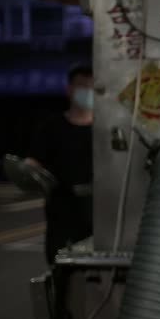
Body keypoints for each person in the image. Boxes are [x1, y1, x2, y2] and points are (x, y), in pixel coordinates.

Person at [25, 65, 95, 266]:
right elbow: (33, 162)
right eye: (82, 86)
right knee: (59, 272)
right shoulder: (52, 127)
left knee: (93, 277)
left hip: (97, 215)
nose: (87, 92)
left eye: (91, 87)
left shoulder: (105, 129)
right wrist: (26, 172)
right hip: (61, 214)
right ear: (69, 90)